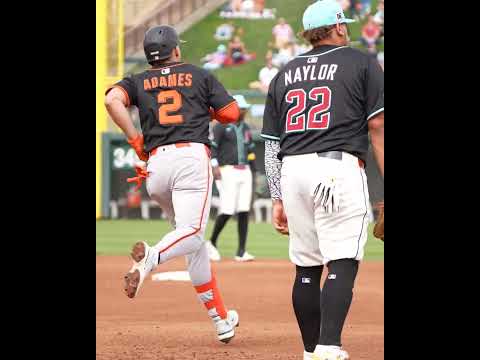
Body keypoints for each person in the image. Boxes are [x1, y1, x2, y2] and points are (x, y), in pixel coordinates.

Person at [261, 1, 384, 359]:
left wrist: (278, 196)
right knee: (342, 259)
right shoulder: (360, 62)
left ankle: (311, 351)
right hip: (335, 167)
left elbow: (271, 145)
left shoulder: (284, 72)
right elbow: (377, 126)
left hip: (293, 170)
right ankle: (329, 347)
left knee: (306, 266)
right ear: (339, 28)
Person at [104, 25, 241, 344]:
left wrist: (134, 138)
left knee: (191, 241)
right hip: (190, 159)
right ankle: (150, 258)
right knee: (192, 233)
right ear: (175, 50)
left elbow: (112, 101)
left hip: (156, 168)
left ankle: (220, 320)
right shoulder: (198, 74)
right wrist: (205, 111)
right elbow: (232, 113)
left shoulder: (137, 80)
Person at [207, 95, 256, 262]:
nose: (244, 111)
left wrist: (253, 171)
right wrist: (214, 166)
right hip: (227, 170)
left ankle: (241, 251)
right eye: (241, 108)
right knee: (227, 209)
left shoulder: (245, 127)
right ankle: (212, 243)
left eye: (244, 108)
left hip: (245, 170)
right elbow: (212, 148)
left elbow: (250, 151)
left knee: (244, 210)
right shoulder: (221, 126)